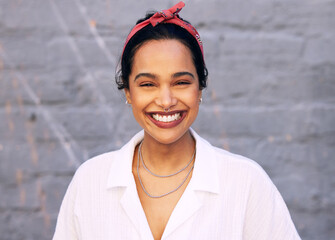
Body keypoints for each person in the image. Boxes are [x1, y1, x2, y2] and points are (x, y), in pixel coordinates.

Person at [53, 2, 301, 240]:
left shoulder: (246, 182)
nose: (166, 100)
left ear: (200, 89)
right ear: (128, 92)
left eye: (181, 82)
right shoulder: (90, 181)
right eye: (148, 84)